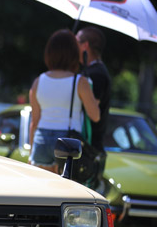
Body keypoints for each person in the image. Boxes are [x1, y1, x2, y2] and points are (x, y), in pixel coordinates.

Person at [29, 29, 101, 174]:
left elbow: (34, 122)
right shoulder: (80, 82)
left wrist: (31, 152)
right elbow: (95, 116)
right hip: (67, 141)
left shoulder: (38, 81)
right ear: (75, 54)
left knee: (41, 190)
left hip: (41, 138)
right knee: (63, 191)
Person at [77, 26, 111, 151]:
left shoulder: (97, 74)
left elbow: (92, 112)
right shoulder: (93, 71)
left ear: (85, 45)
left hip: (89, 147)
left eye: (76, 41)